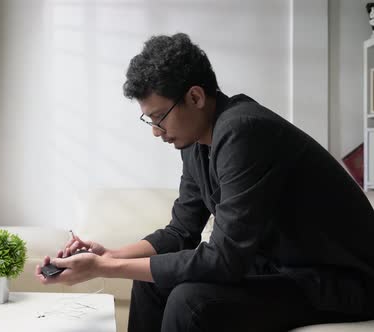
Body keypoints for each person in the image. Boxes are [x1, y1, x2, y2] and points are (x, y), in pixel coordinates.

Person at [34, 33, 374, 332]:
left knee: (190, 302)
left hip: (338, 281)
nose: (156, 131)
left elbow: (224, 259)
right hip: (282, 269)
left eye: (159, 118)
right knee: (150, 285)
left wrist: (104, 268)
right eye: (149, 120)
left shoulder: (244, 131)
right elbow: (180, 233)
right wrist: (110, 253)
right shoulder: (196, 144)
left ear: (195, 97)